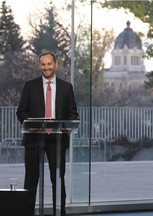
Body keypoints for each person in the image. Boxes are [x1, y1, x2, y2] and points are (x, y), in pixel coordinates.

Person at [16, 51, 79, 216]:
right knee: (30, 181)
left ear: (56, 64)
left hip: (56, 141)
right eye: (43, 64)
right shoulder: (30, 85)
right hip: (33, 140)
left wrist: (67, 126)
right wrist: (31, 125)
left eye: (49, 64)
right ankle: (26, 213)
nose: (46, 67)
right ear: (39, 66)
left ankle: (60, 213)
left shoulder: (66, 87)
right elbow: (21, 111)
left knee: (58, 181)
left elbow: (73, 114)